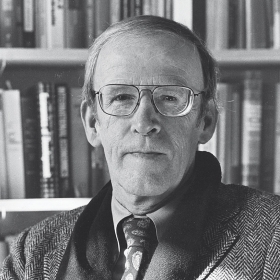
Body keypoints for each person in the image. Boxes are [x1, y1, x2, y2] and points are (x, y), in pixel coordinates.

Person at [1, 15, 280, 280]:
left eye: (171, 97)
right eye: (121, 96)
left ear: (205, 121)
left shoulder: (273, 237)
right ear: (91, 123)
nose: (144, 122)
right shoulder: (31, 256)